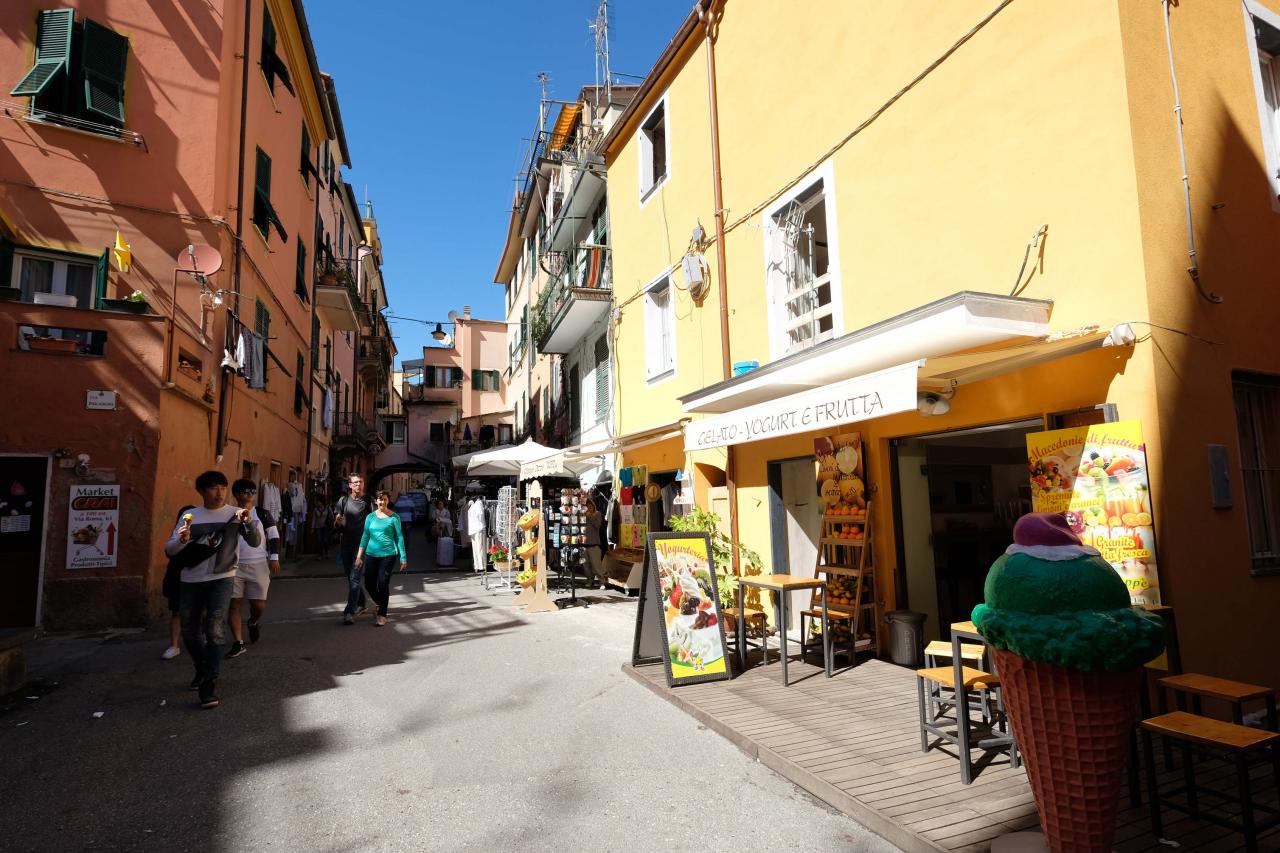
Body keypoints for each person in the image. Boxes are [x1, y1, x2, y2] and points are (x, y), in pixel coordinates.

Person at [164, 470, 260, 709]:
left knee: (215, 628)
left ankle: (209, 682)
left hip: (222, 577)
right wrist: (181, 540)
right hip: (191, 579)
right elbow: (170, 550)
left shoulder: (234, 514)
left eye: (223, 488)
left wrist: (247, 522)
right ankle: (201, 667)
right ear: (201, 491)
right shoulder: (190, 516)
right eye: (213, 488)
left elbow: (255, 542)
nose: (219, 493)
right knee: (189, 631)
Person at [224, 479, 280, 657]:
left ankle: (253, 621)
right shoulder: (228, 514)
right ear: (236, 494)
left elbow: (273, 536)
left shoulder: (262, 514)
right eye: (245, 491)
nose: (250, 494)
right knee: (234, 603)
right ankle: (238, 643)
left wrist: (274, 557)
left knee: (258, 605)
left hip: (258, 564)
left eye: (252, 491)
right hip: (234, 565)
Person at [353, 491, 407, 627]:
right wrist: (359, 557)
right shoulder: (370, 517)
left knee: (383, 583)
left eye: (384, 499)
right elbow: (365, 536)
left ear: (387, 500)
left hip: (388, 555)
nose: (381, 502)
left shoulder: (394, 518)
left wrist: (403, 557)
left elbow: (399, 537)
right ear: (376, 501)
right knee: (369, 584)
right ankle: (380, 603)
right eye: (379, 499)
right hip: (371, 555)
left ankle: (382, 614)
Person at [334, 473, 372, 624]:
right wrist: (337, 522)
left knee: (354, 578)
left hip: (361, 547)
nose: (358, 485)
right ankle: (362, 603)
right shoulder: (343, 501)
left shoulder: (368, 501)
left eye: (360, 482)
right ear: (349, 485)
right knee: (350, 578)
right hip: (346, 545)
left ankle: (349, 611)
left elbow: (374, 522)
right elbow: (336, 523)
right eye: (355, 482)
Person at [583, 496, 606, 589]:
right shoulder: (583, 515)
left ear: (593, 506)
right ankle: (589, 580)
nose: (589, 507)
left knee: (597, 565)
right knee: (586, 565)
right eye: (587, 506)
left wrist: (589, 517)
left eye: (590, 505)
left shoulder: (597, 514)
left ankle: (602, 582)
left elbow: (597, 525)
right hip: (584, 544)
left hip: (594, 544)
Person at [467, 493, 487, 575]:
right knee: (475, 549)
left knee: (480, 548)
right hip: (473, 529)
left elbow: (480, 514)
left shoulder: (479, 503)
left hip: (478, 528)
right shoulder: (473, 504)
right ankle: (476, 565)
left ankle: (482, 566)